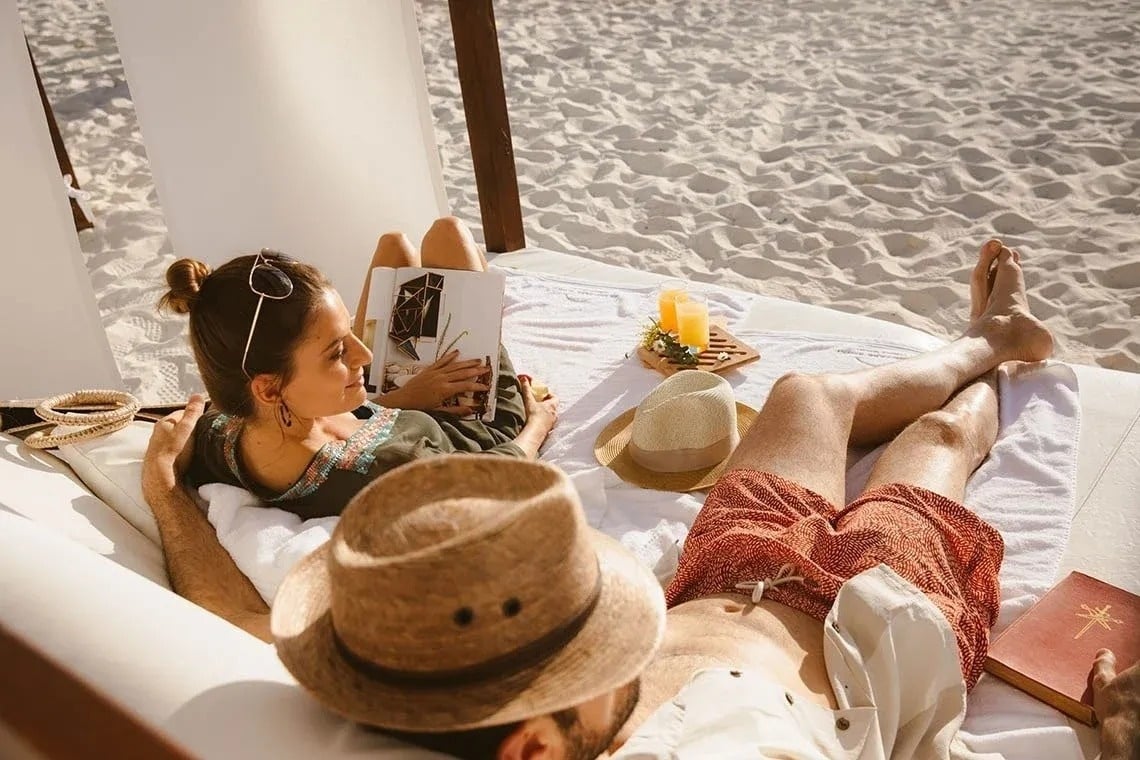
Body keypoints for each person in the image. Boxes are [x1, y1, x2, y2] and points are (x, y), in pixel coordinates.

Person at [142, 240, 1140, 758]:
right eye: (599, 640)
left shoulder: (414, 667)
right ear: (538, 744)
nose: (620, 631)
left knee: (802, 394)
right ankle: (996, 348)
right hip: (873, 619)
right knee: (938, 437)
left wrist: (165, 493)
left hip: (725, 570)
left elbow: (241, 619)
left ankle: (985, 333)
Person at [156, 216, 560, 520]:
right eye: (336, 352)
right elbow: (498, 476)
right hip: (473, 426)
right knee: (449, 236)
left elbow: (180, 431)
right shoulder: (380, 470)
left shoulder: (223, 429)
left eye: (349, 332)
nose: (362, 355)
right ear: (269, 388)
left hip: (404, 401)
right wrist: (538, 422)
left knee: (396, 246)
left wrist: (404, 398)